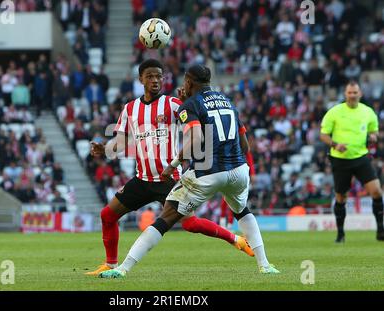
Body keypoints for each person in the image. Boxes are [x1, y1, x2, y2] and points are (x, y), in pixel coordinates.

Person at [99, 64, 279, 279]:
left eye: (159, 76)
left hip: (169, 177)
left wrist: (174, 163)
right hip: (143, 177)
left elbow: (195, 130)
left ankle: (236, 240)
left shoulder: (175, 104)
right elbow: (120, 142)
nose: (155, 80)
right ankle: (111, 265)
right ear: (141, 80)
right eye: (150, 76)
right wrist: (105, 148)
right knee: (107, 215)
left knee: (188, 223)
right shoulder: (130, 109)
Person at [320, 81, 384, 242]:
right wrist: (335, 144)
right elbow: (323, 135)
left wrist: (374, 137)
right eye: (350, 92)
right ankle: (340, 234)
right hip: (340, 160)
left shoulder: (368, 112)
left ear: (360, 94)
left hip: (361, 157)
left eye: (355, 92)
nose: (353, 95)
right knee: (341, 197)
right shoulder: (335, 112)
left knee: (376, 191)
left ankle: (380, 230)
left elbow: (374, 132)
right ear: (345, 94)